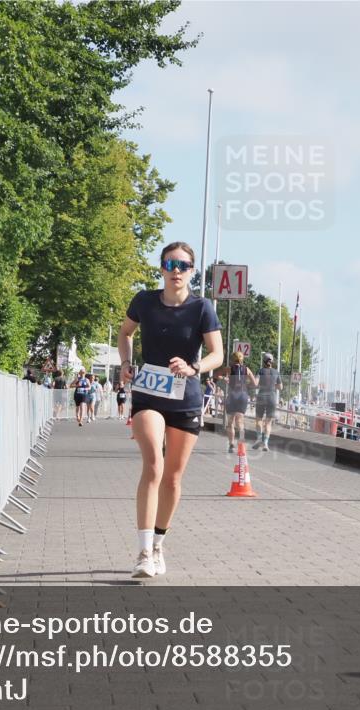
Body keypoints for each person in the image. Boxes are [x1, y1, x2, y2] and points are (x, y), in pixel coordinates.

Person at [117, 240, 223, 579]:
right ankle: (143, 552)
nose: (176, 271)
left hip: (186, 398)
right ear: (161, 267)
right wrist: (125, 362)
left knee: (173, 479)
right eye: (170, 264)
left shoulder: (202, 307)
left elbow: (217, 354)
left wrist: (194, 368)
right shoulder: (144, 301)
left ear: (192, 271)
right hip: (148, 394)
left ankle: (159, 544)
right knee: (153, 465)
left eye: (183, 266)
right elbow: (125, 333)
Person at [224, 351, 257, 453]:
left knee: (231, 422)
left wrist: (226, 379)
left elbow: (222, 377)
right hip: (243, 395)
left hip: (232, 395)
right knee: (240, 421)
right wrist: (246, 384)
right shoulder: (247, 369)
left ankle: (231, 445)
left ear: (233, 359)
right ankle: (241, 444)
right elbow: (255, 383)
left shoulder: (229, 368)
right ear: (242, 359)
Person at [252, 353, 282, 451]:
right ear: (272, 361)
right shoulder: (276, 372)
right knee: (268, 423)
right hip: (272, 398)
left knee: (259, 420)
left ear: (263, 361)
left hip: (261, 397)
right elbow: (280, 387)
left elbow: (255, 383)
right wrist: (273, 386)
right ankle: (265, 444)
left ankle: (259, 439)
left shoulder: (260, 371)